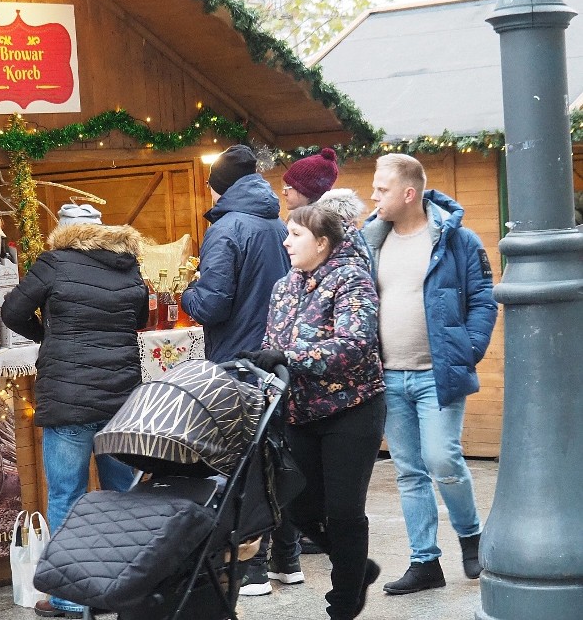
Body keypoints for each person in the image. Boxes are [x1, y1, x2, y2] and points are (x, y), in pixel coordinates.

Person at [0, 205, 148, 619]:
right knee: (126, 497)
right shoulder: (128, 265)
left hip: (68, 400)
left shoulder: (53, 263)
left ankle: (70, 597)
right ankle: (127, 591)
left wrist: (50, 335)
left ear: (62, 234)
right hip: (121, 400)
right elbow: (139, 319)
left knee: (68, 497)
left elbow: (11, 311)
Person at [239, 205, 386, 620]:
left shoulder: (352, 279)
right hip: (299, 413)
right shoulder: (284, 286)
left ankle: (344, 601)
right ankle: (356, 567)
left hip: (352, 410)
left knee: (342, 510)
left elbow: (355, 345)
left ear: (322, 242)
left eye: (295, 235)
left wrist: (288, 356)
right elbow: (273, 341)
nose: (286, 242)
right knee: (294, 504)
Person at [362, 153, 498, 594]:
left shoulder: (457, 239)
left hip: (436, 375)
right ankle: (425, 562)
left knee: (442, 459)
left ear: (408, 193)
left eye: (381, 189)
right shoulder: (370, 240)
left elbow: (482, 298)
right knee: (408, 470)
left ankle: (470, 535)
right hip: (388, 377)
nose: (373, 196)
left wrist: (468, 348)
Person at [181, 144, 290, 364]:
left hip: (238, 359)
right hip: (274, 356)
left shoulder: (224, 230)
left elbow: (210, 307)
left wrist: (188, 293)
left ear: (219, 186)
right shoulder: (280, 225)